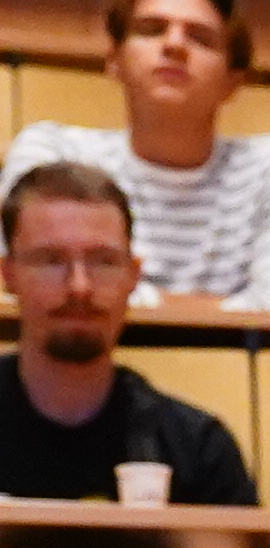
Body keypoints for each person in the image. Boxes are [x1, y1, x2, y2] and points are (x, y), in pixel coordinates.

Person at [0, 0, 270, 312]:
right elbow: (24, 282)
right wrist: (226, 307)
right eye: (151, 30)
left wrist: (118, 298)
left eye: (200, 38)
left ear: (233, 81)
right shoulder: (56, 152)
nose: (174, 45)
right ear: (114, 60)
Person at [0, 163, 256, 507]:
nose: (80, 287)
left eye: (103, 261)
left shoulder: (198, 450)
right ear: (8, 275)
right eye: (51, 260)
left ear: (133, 276)